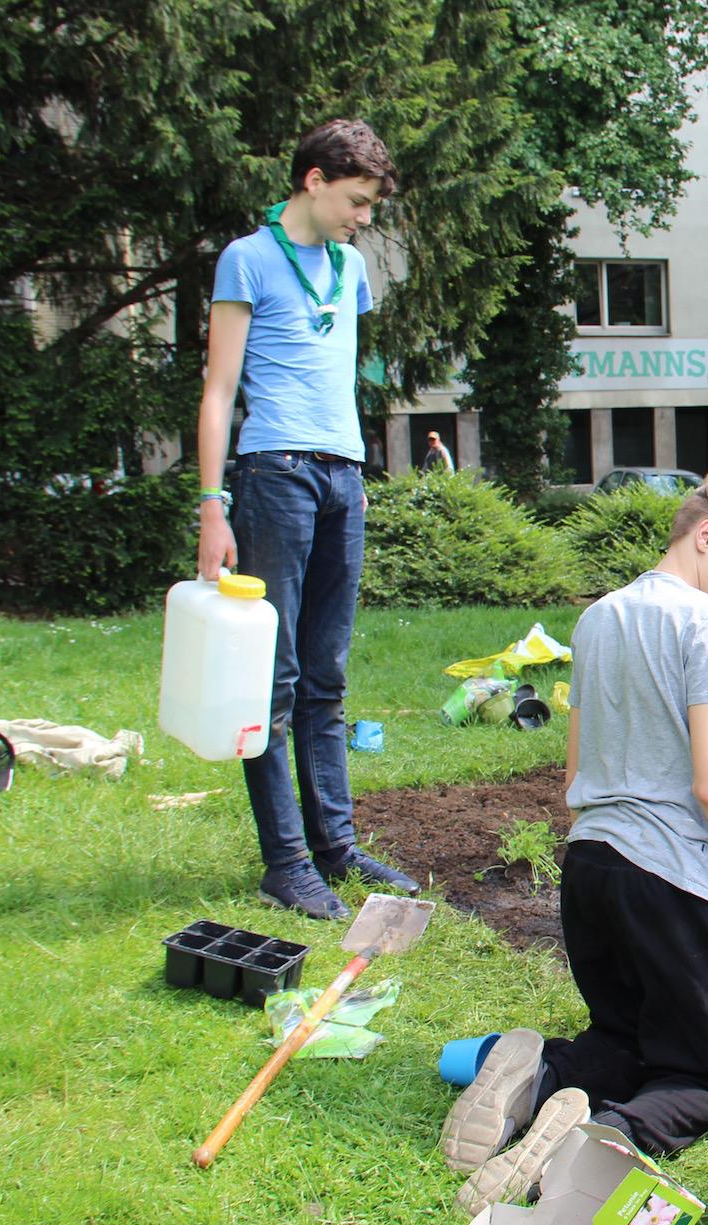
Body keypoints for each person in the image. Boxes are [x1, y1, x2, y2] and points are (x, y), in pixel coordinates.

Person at [439, 469, 708, 1213]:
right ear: (707, 535)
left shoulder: (597, 618)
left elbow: (574, 767)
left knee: (629, 1036)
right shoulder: (707, 626)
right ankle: (582, 1149)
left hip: (590, 868)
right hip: (666, 880)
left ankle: (539, 1076)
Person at [194, 119, 417, 921]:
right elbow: (219, 391)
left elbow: (338, 378)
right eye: (356, 201)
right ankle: (285, 862)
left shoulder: (350, 267)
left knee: (327, 676)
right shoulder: (247, 258)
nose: (364, 218)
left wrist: (355, 472)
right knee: (275, 680)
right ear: (314, 180)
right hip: (273, 475)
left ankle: (337, 847)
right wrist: (211, 505)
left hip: (339, 475)